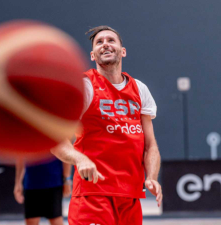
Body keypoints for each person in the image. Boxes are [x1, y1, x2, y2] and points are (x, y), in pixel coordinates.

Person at [50, 26, 162, 225]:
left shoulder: (140, 89)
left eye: (111, 40)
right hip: (92, 195)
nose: (105, 44)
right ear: (93, 55)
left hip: (130, 196)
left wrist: (152, 177)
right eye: (99, 42)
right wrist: (80, 159)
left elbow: (150, 145)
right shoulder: (84, 86)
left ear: (123, 50)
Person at [13, 157, 72, 225]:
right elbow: (21, 157)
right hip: (31, 182)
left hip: (54, 181)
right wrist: (18, 183)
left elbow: (66, 153)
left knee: (56, 219)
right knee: (31, 220)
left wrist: (67, 179)